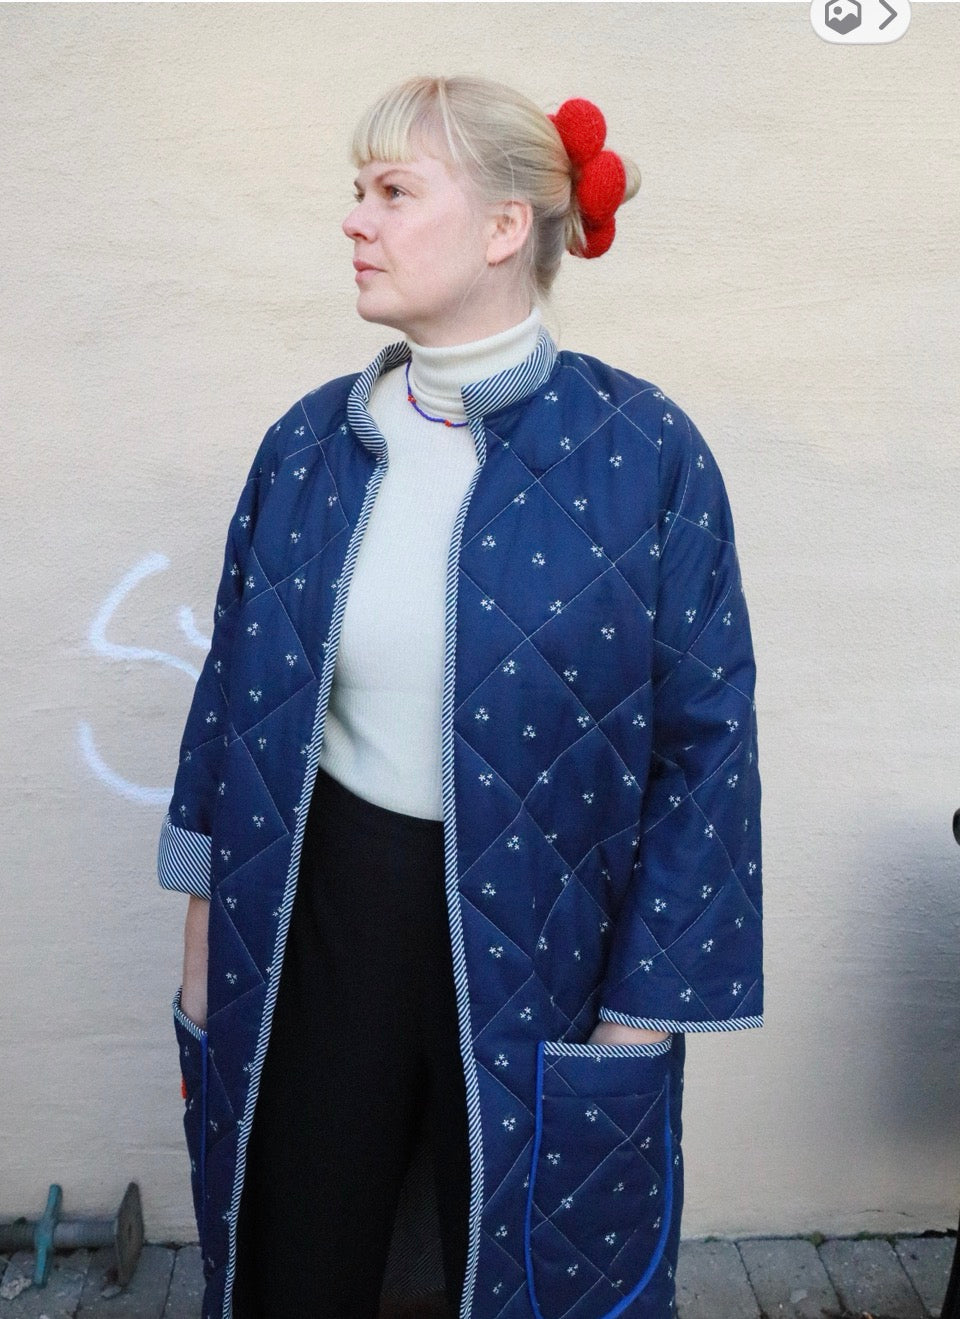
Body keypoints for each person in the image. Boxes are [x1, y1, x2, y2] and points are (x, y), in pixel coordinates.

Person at [159, 74, 763, 1319]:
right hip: (323, 927)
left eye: (393, 191)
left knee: (519, 1272)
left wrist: (639, 1023)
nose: (355, 219)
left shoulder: (645, 452)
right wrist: (202, 952)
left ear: (502, 227)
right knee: (299, 1255)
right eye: (357, 190)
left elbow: (707, 749)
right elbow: (231, 714)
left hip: (552, 940)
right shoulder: (308, 447)